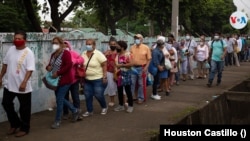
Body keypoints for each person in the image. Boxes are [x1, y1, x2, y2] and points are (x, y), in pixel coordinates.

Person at [0, 31, 35, 137]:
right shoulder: (11, 49)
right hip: (9, 84)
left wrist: (24, 82)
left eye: (20, 38)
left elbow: (30, 69)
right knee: (6, 103)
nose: (17, 40)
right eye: (16, 38)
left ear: (25, 40)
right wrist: (0, 77)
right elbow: (5, 64)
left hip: (22, 86)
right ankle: (15, 123)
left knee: (24, 108)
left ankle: (25, 128)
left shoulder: (28, 52)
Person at [46, 37, 81, 129]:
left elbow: (68, 65)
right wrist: (48, 67)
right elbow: (50, 64)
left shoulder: (66, 53)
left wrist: (58, 73)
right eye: (53, 43)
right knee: (59, 98)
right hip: (55, 80)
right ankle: (74, 110)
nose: (54, 45)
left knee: (59, 99)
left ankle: (57, 121)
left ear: (61, 44)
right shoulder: (53, 54)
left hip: (65, 80)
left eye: (56, 43)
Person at [81, 38, 108, 117]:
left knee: (98, 94)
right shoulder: (83, 53)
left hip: (98, 79)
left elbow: (104, 64)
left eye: (90, 44)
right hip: (87, 79)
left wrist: (104, 76)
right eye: (87, 44)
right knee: (87, 95)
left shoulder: (98, 54)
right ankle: (89, 110)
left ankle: (104, 106)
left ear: (94, 45)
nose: (88, 45)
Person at [62, 40, 84, 120]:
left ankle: (77, 113)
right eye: (63, 45)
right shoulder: (59, 55)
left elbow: (81, 60)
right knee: (64, 97)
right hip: (64, 80)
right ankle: (65, 113)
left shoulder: (73, 53)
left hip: (74, 79)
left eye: (66, 45)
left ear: (69, 46)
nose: (65, 47)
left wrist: (75, 61)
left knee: (75, 97)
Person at [130, 34, 151, 104]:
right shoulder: (132, 47)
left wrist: (146, 68)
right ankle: (131, 97)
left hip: (142, 68)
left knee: (141, 84)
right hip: (133, 68)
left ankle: (140, 98)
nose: (137, 39)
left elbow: (149, 59)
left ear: (142, 39)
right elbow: (129, 57)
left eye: (138, 38)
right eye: (136, 38)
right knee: (132, 83)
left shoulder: (146, 48)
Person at [113, 40, 134, 112]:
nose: (116, 47)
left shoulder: (128, 54)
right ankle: (121, 105)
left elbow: (131, 64)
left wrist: (122, 65)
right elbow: (115, 65)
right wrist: (115, 74)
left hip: (126, 74)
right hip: (119, 74)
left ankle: (130, 106)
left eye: (117, 46)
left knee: (128, 90)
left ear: (122, 47)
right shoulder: (117, 55)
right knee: (119, 90)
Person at [103, 37, 118, 107]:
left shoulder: (119, 52)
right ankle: (112, 101)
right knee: (111, 87)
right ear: (109, 45)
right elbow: (102, 62)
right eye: (111, 44)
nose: (113, 45)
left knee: (122, 87)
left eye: (114, 44)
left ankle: (124, 101)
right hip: (109, 71)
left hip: (118, 71)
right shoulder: (106, 53)